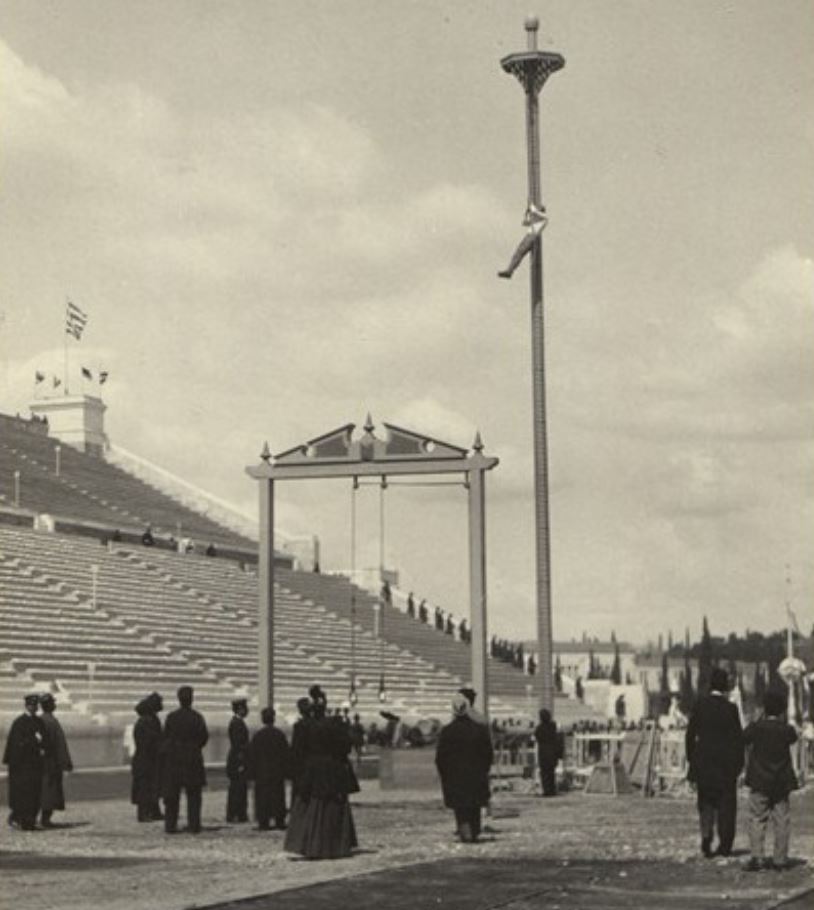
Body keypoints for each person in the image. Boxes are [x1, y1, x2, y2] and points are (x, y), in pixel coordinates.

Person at [284, 686, 359, 859]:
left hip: (312, 769)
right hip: (332, 769)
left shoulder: (304, 726)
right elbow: (345, 746)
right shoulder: (334, 724)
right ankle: (334, 845)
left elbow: (298, 751)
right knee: (332, 806)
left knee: (311, 804)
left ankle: (309, 844)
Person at [685, 667, 744, 858]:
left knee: (706, 802)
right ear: (725, 686)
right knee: (726, 805)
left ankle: (706, 834)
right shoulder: (731, 709)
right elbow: (738, 739)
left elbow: (690, 736)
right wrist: (739, 765)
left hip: (704, 763)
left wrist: (691, 760)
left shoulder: (700, 705)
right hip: (726, 766)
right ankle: (725, 844)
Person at [743, 690, 799, 872]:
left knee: (757, 818)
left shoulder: (758, 728)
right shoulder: (785, 730)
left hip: (760, 779)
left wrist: (759, 719)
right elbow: (794, 736)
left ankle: (757, 857)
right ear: (782, 710)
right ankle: (780, 859)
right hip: (781, 781)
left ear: (764, 708)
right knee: (781, 820)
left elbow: (744, 737)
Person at [435, 693, 493, 843]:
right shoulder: (479, 730)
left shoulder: (447, 731)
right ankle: (474, 830)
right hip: (476, 774)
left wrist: (445, 774)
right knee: (474, 805)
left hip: (455, 776)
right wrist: (484, 770)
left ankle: (465, 830)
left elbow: (441, 758)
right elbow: (488, 754)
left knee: (461, 808)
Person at [163, 686, 208, 834]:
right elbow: (203, 737)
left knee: (172, 796)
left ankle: (170, 825)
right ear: (191, 699)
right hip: (193, 759)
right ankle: (194, 825)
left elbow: (166, 737)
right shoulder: (197, 717)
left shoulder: (171, 717)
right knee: (194, 795)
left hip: (174, 759)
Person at [3, 694, 47, 830]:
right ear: (27, 706)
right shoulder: (19, 723)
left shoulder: (39, 722)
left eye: (36, 705)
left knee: (34, 792)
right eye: (32, 705)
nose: (34, 707)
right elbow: (17, 745)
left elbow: (45, 741)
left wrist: (43, 747)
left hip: (35, 765)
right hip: (22, 766)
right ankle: (21, 820)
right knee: (23, 793)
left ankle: (30, 820)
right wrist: (35, 742)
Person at [247, 707, 290, 831]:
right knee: (278, 796)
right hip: (277, 770)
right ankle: (279, 820)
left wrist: (252, 772)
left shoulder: (258, 736)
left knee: (262, 797)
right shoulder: (279, 734)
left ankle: (263, 821)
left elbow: (252, 755)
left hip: (262, 771)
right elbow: (285, 753)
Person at [39, 694, 73, 827]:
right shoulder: (52, 722)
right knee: (50, 791)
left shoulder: (40, 720)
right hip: (51, 763)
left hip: (41, 762)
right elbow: (60, 744)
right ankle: (45, 819)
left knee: (40, 790)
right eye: (52, 703)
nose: (54, 705)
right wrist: (66, 763)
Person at [131, 692, 164, 822]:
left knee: (151, 785)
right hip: (146, 759)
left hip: (146, 758)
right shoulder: (147, 721)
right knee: (145, 786)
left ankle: (154, 811)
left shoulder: (148, 720)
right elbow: (151, 740)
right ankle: (143, 814)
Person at [498, 202, 548, 279]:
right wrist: (527, 213)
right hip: (528, 236)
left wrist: (532, 209)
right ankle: (510, 270)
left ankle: (510, 271)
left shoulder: (544, 220)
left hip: (532, 237)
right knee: (518, 253)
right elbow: (524, 223)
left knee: (532, 261)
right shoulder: (536, 221)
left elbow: (540, 214)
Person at [226, 698, 250, 823]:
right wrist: (241, 762)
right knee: (238, 788)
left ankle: (237, 813)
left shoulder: (236, 722)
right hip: (237, 760)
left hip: (236, 758)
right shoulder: (237, 723)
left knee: (238, 788)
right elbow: (238, 744)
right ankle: (237, 813)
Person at [534, 708, 562, 797]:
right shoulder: (553, 727)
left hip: (543, 753)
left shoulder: (540, 728)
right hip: (553, 752)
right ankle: (552, 790)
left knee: (544, 773)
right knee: (551, 772)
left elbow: (537, 737)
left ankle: (547, 790)